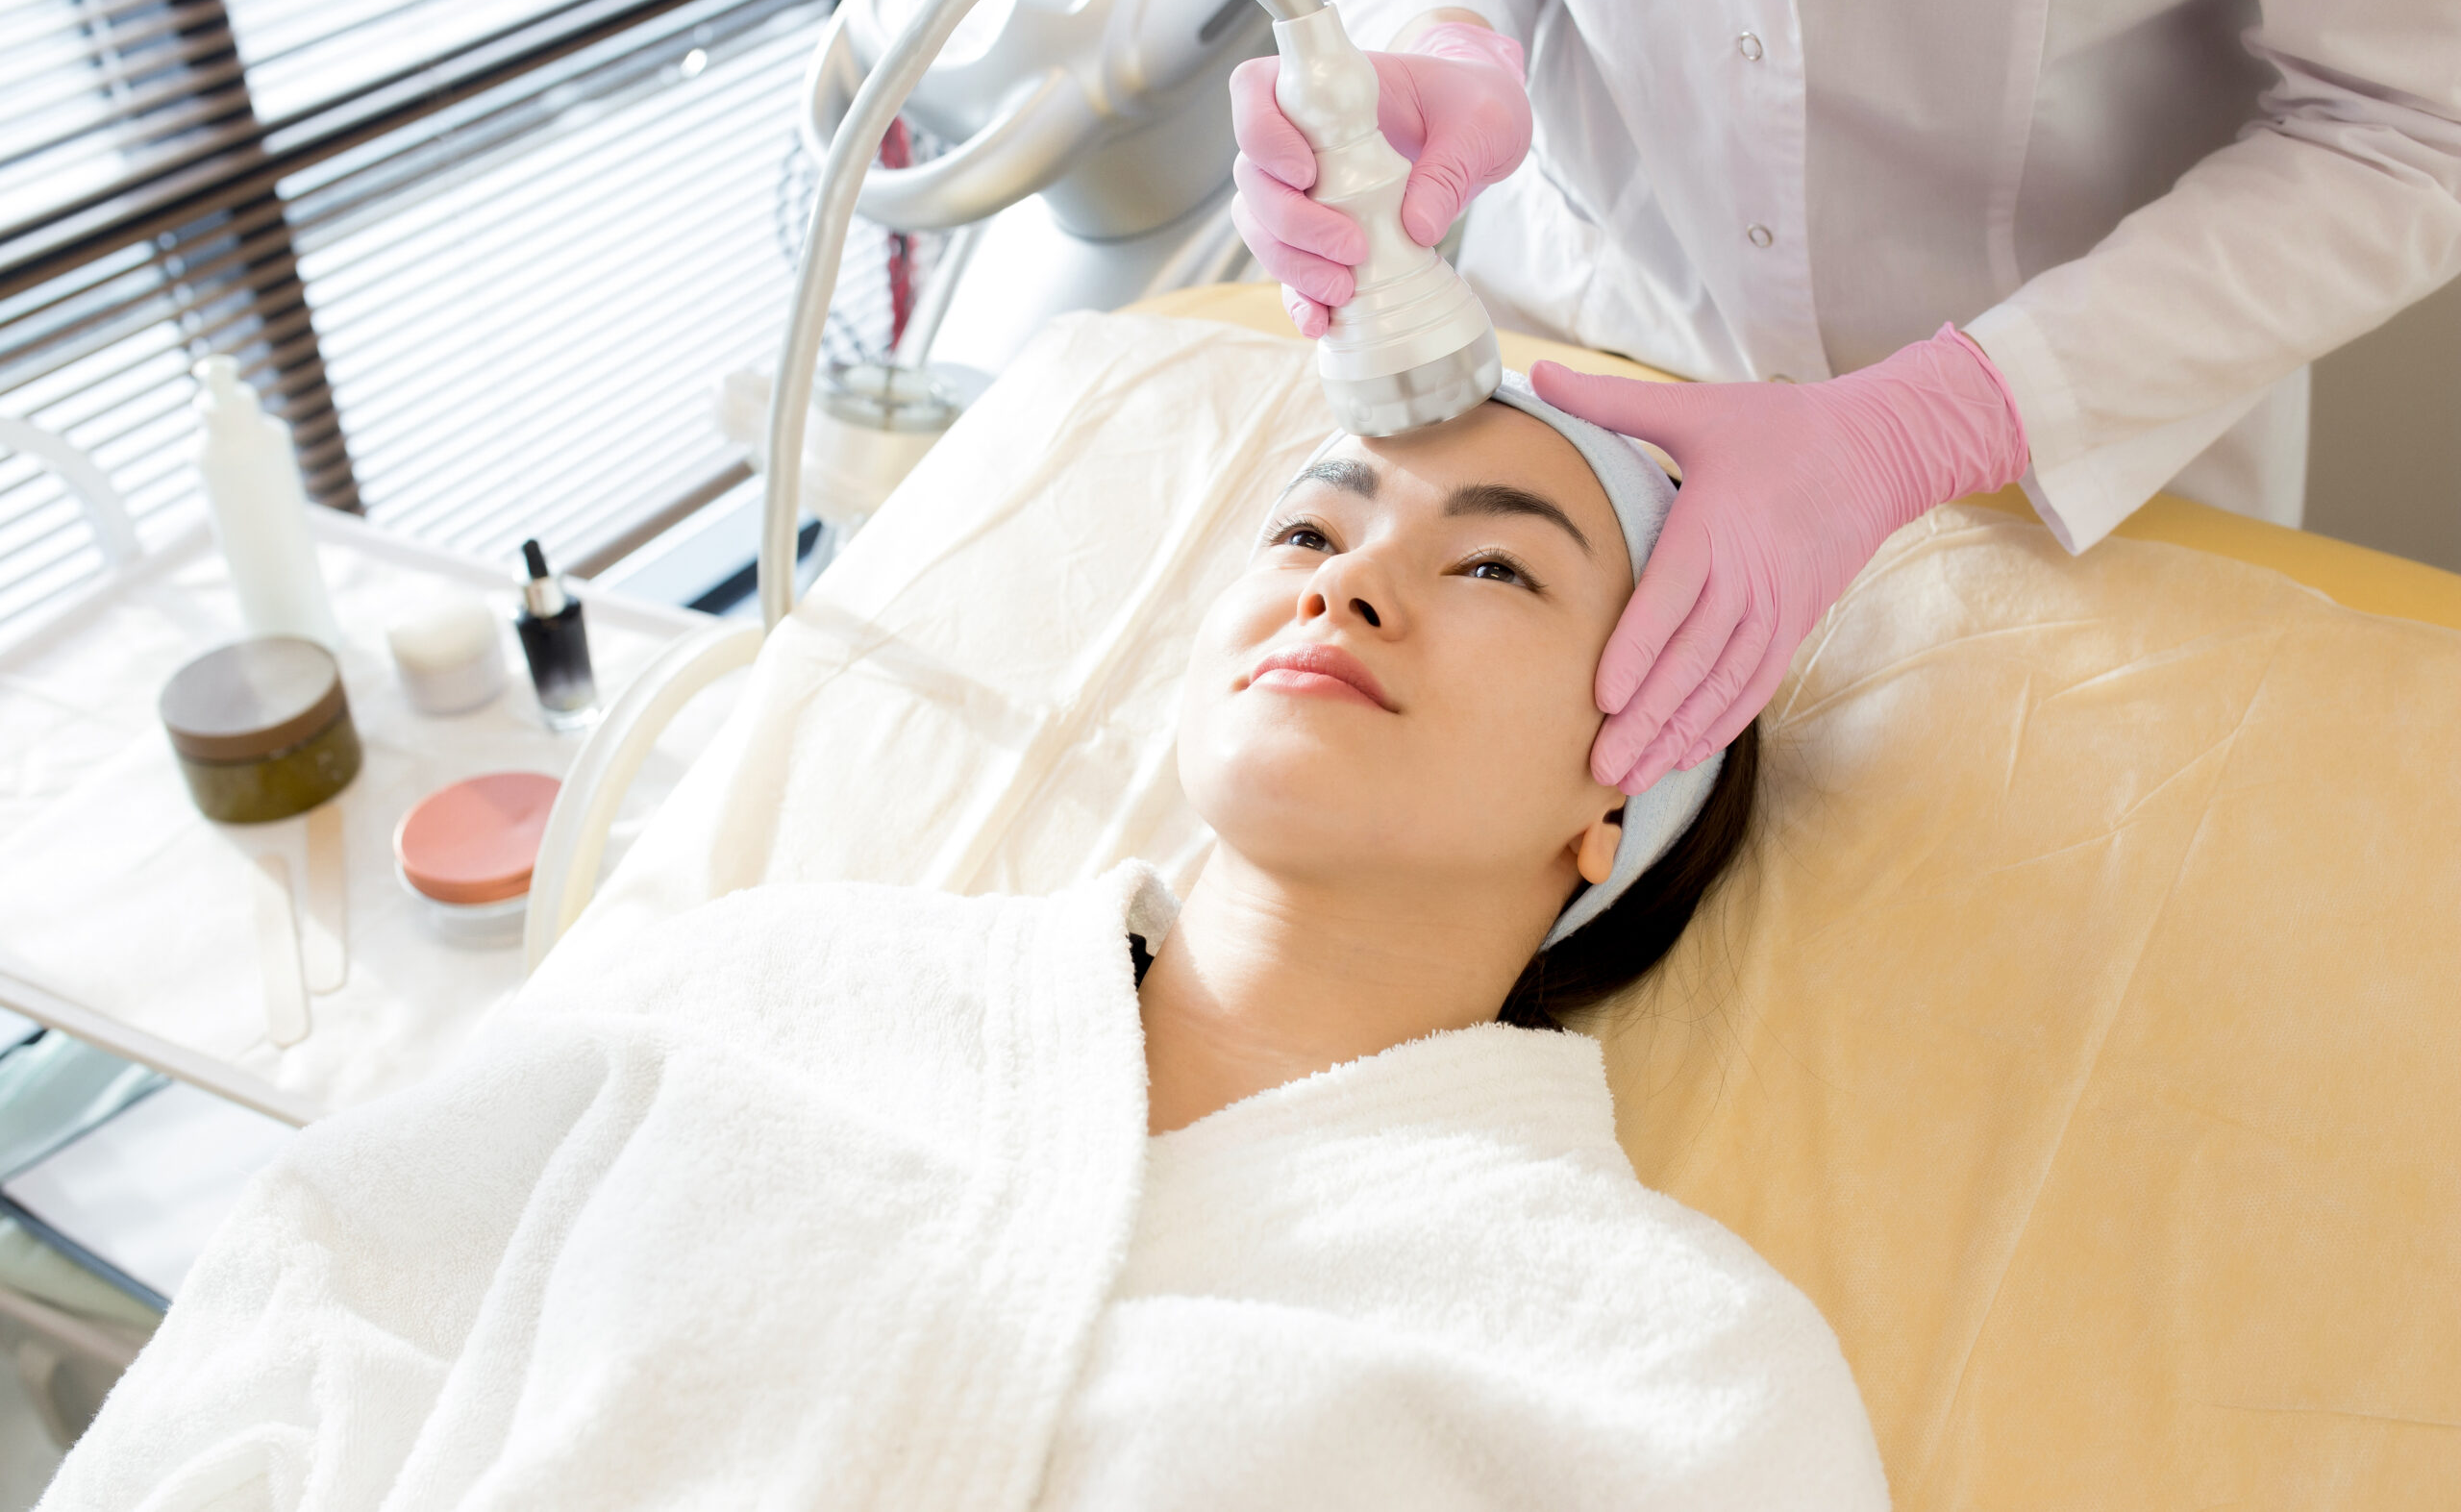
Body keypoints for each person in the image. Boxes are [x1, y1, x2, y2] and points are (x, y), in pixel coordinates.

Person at [42, 384, 1885, 1511]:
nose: (1347, 577)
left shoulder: (1668, 1364)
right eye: (1313, 520)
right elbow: (309, 1310)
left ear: (1618, 806)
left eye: (1500, 564)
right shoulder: (767, 986)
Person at [1230, 0, 2461, 799]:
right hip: (1601, 317)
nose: (1337, 594)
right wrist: (1444, 40)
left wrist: (1928, 425)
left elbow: (2414, 118)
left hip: (2090, 408)